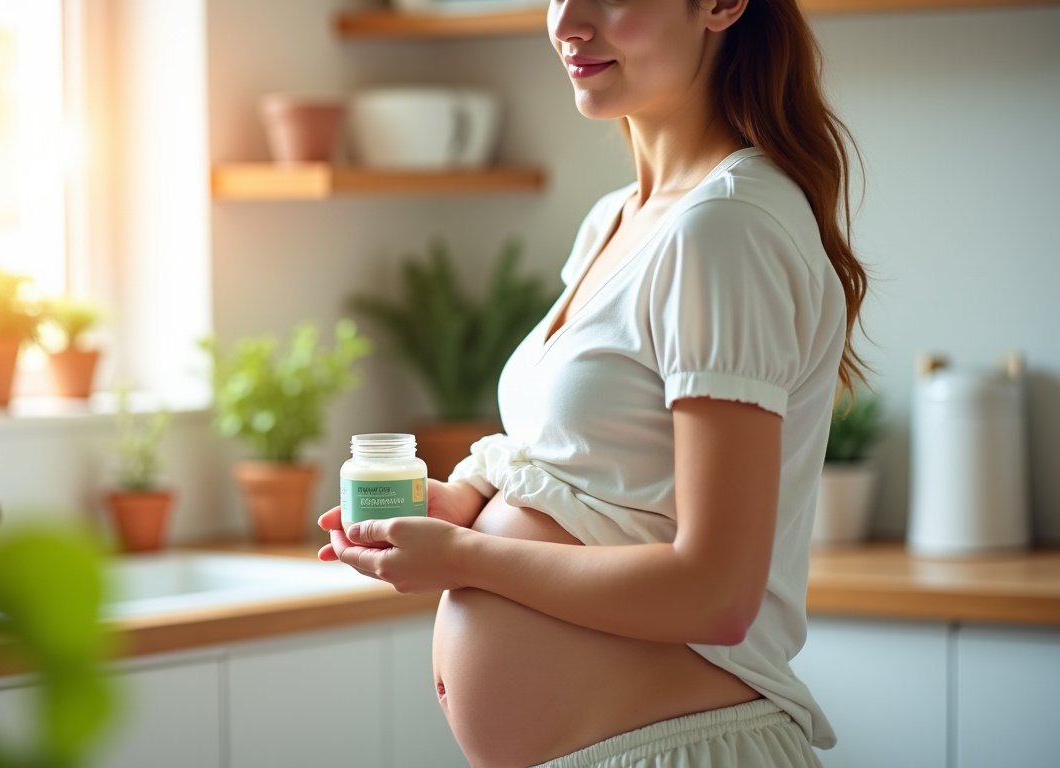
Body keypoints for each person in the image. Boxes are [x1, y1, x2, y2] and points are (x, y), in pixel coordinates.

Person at [318, 0, 868, 765]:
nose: (568, 22)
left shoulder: (726, 227)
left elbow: (716, 593)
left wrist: (465, 558)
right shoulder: (618, 219)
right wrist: (470, 502)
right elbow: (588, 462)